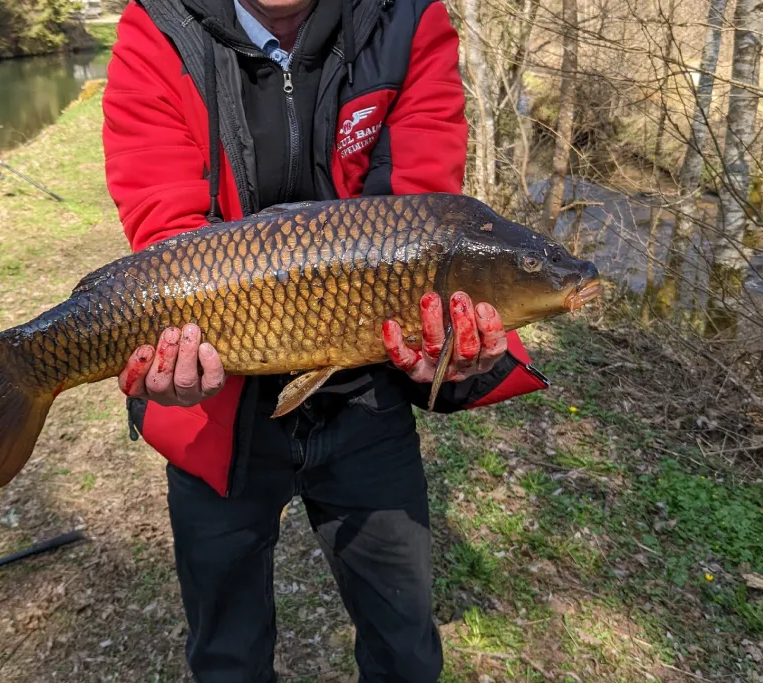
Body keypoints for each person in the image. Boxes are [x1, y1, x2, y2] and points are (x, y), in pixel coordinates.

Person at [102, 0, 548, 680]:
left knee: (405, 649)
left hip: (365, 398)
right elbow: (168, 241)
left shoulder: (405, 18)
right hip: (216, 408)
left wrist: (446, 343)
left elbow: (420, 218)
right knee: (227, 655)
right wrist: (175, 353)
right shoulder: (159, 26)